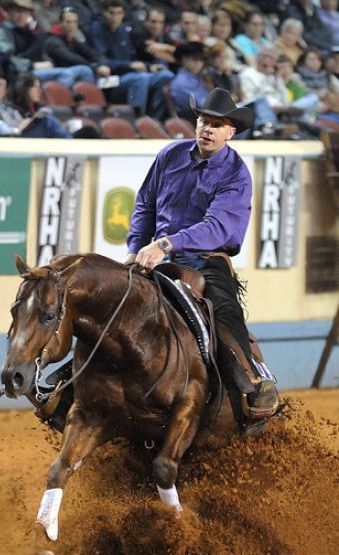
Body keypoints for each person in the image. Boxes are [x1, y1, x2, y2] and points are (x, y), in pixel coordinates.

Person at [125, 87, 279, 428]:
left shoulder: (235, 173)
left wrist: (166, 243)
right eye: (204, 121)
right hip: (157, 258)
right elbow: (146, 203)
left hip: (206, 259)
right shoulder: (170, 155)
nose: (208, 129)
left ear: (230, 132)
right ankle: (75, 386)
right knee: (113, 303)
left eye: (217, 125)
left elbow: (216, 227)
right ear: (195, 124)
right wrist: (135, 248)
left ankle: (251, 382)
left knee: (222, 310)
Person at [87, 0, 174, 120]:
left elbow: (134, 58)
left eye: (119, 13)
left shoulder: (125, 30)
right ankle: (137, 120)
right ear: (104, 13)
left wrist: (148, 66)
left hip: (129, 74)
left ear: (123, 14)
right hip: (110, 79)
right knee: (141, 78)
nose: (115, 17)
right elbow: (101, 60)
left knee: (166, 75)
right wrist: (130, 65)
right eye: (111, 13)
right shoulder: (96, 29)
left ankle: (154, 118)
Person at [0, 0, 95, 85]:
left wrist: (48, 62)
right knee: (67, 74)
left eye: (25, 12)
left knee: (84, 71)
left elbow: (40, 52)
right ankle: (57, 104)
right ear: (8, 13)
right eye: (18, 11)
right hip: (18, 75)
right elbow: (5, 61)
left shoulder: (27, 32)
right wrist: (32, 65)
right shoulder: (1, 33)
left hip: (34, 71)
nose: (22, 16)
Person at [0, 63, 73, 137]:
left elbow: (21, 122)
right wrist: (16, 130)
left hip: (20, 138)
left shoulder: (9, 107)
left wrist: (28, 123)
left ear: (5, 88)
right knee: (47, 122)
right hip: (7, 143)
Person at [170, 41, 211, 124]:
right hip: (194, 122)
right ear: (184, 59)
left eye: (202, 60)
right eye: (195, 59)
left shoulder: (201, 77)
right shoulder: (180, 82)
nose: (199, 63)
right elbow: (201, 105)